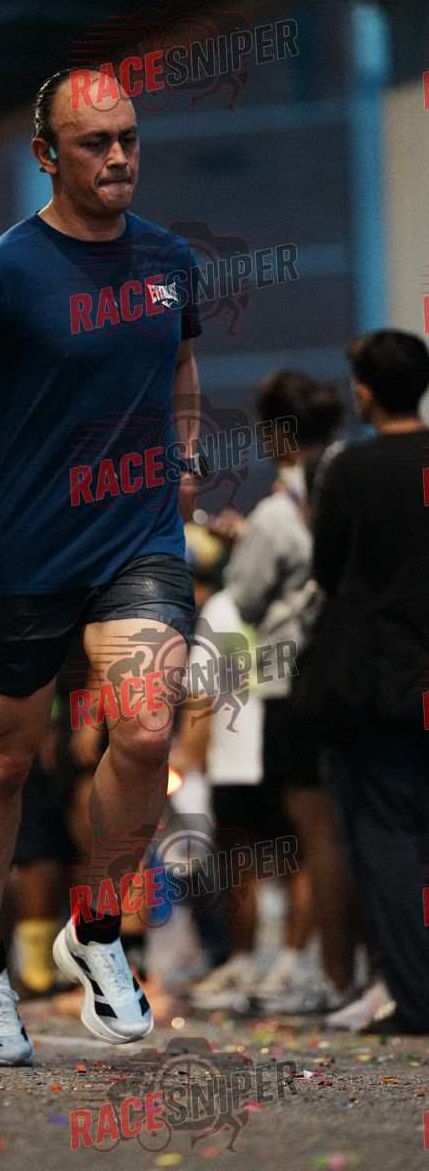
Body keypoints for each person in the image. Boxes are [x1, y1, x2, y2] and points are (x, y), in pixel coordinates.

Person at [0, 66, 203, 1064]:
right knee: (5, 759)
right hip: (25, 547)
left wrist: (184, 457)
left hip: (138, 539)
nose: (117, 156)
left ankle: (98, 930)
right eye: (92, 142)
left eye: (127, 138)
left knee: (145, 728)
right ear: (45, 154)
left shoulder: (169, 261)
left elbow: (178, 370)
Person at [306, 330, 429, 1034]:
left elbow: (327, 570)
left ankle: (414, 996)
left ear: (366, 391)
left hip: (381, 681)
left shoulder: (352, 469)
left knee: (387, 837)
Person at [220, 371, 354, 1011]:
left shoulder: (277, 511)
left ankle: (333, 975)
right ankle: (350, 970)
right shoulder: (349, 482)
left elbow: (245, 598)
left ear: (277, 434)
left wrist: (242, 544)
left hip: (293, 678)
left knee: (314, 836)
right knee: (348, 826)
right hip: (353, 674)